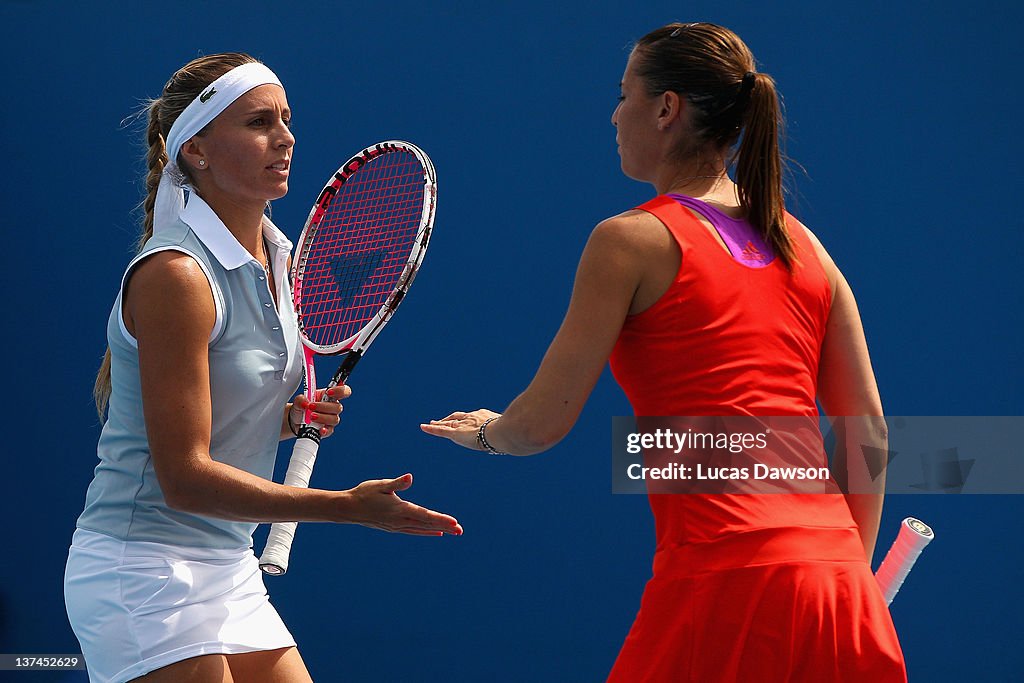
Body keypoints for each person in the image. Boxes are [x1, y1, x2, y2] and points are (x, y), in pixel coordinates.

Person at [421, 22, 906, 682]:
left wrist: (485, 433)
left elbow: (539, 425)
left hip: (728, 584)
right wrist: (852, 576)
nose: (616, 114)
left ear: (666, 108)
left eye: (624, 94)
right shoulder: (808, 248)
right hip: (843, 589)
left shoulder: (628, 241)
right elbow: (869, 430)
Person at [65, 53, 462, 683]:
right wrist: (346, 507)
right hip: (143, 568)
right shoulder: (177, 275)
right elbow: (185, 478)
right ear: (195, 148)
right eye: (257, 123)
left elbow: (219, 421)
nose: (285, 137)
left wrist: (283, 419)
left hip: (228, 565)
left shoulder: (282, 262)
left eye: (285, 119)